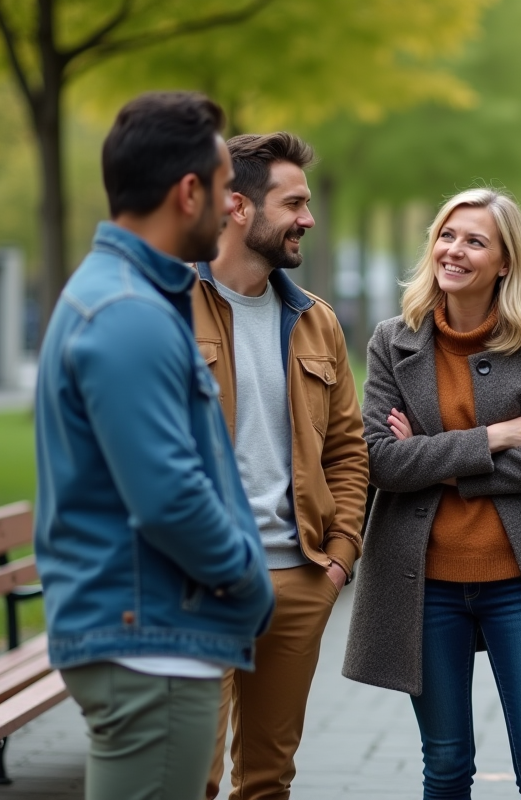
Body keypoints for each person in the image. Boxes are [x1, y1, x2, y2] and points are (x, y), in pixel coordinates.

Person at [32, 92, 275, 800]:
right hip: (153, 638)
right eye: (228, 187)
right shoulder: (129, 313)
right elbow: (168, 495)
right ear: (189, 191)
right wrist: (248, 580)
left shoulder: (121, 296)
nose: (234, 204)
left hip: (146, 628)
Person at [343, 187, 521, 799]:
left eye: (474, 240)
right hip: (425, 584)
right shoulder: (394, 339)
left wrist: (433, 456)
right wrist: (491, 438)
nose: (454, 250)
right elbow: (381, 460)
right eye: (446, 234)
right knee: (444, 765)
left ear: (505, 261)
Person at [192, 132, 368, 800]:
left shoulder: (316, 322)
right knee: (193, 776)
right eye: (294, 202)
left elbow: (349, 450)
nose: (308, 218)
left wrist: (340, 555)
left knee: (268, 779)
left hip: (298, 580)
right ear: (237, 206)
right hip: (199, 583)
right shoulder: (168, 307)